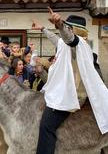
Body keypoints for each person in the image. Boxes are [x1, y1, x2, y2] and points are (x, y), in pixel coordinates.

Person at [32, 8, 108, 154]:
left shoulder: (77, 45)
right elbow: (58, 40)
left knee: (46, 126)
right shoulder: (69, 45)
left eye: (68, 27)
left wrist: (60, 24)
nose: (65, 30)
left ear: (74, 31)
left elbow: (68, 38)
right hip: (68, 92)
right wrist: (42, 29)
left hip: (74, 97)